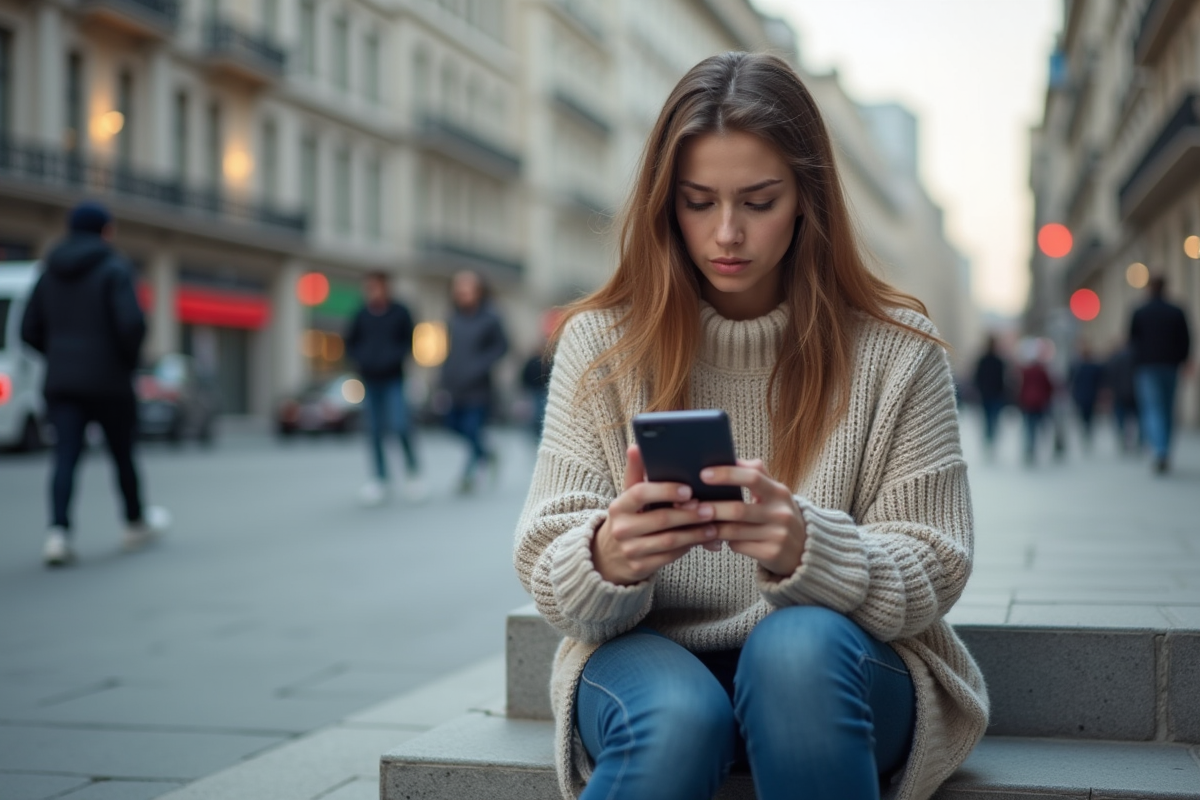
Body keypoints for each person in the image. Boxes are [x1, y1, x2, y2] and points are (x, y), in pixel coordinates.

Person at [513, 53, 985, 800]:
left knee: (791, 654)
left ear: (807, 200)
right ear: (665, 203)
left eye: (759, 202)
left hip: (838, 663)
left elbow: (937, 562)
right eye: (698, 201)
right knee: (677, 718)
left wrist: (809, 546)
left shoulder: (896, 350)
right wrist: (608, 554)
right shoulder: (600, 343)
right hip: (649, 656)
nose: (726, 233)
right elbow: (546, 555)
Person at [21, 201, 169, 567]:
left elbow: (29, 330)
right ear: (105, 230)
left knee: (65, 457)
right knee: (122, 455)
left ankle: (58, 533)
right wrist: (125, 361)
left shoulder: (48, 272)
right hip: (109, 381)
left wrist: (59, 355)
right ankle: (134, 523)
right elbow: (131, 325)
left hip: (62, 382)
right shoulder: (114, 269)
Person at [345, 271, 424, 505]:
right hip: (370, 380)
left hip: (393, 379)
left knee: (400, 425)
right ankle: (380, 479)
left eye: (377, 286)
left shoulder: (400, 312)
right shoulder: (361, 314)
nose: (373, 291)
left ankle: (413, 473)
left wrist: (391, 358)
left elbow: (408, 342)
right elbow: (350, 343)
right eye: (370, 287)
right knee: (374, 430)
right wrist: (363, 360)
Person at [440, 270, 508, 493]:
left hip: (478, 389)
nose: (462, 291)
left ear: (478, 290)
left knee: (472, 427)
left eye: (467, 287)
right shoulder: (453, 318)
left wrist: (480, 366)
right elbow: (448, 352)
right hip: (455, 385)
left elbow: (502, 347)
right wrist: (443, 378)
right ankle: (487, 453)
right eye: (459, 287)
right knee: (452, 425)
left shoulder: (490, 318)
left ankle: (467, 476)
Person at [1129, 275, 1191, 473]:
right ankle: (1164, 450)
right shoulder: (1176, 311)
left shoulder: (1140, 312)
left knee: (1153, 408)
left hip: (1147, 367)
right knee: (1167, 409)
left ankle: (1160, 450)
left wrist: (1137, 362)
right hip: (1170, 366)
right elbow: (1186, 339)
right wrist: (1183, 360)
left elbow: (1132, 342)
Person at [1016, 339, 1055, 465]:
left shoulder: (1025, 371)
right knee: (1040, 426)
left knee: (1029, 427)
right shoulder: (1042, 370)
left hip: (1028, 402)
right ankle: (1038, 448)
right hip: (1040, 402)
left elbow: (1020, 387)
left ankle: (1030, 449)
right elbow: (1049, 386)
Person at [971, 334, 1008, 456]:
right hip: (994, 394)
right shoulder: (998, 360)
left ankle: (989, 439)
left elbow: (977, 377)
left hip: (987, 394)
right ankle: (990, 439)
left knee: (988, 419)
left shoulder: (984, 360)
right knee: (993, 418)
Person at [1104, 341, 1139, 453]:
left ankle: (1122, 436)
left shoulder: (1116, 358)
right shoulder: (1137, 358)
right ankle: (1138, 439)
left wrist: (1111, 389)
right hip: (1135, 391)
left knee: (1120, 417)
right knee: (1136, 417)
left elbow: (1110, 375)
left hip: (1119, 392)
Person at [1068, 342, 1104, 449]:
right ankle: (1087, 431)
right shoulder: (1094, 366)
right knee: (1089, 416)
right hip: (1090, 395)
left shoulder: (1077, 366)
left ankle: (1085, 431)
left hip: (1080, 395)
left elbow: (1070, 380)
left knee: (1083, 416)